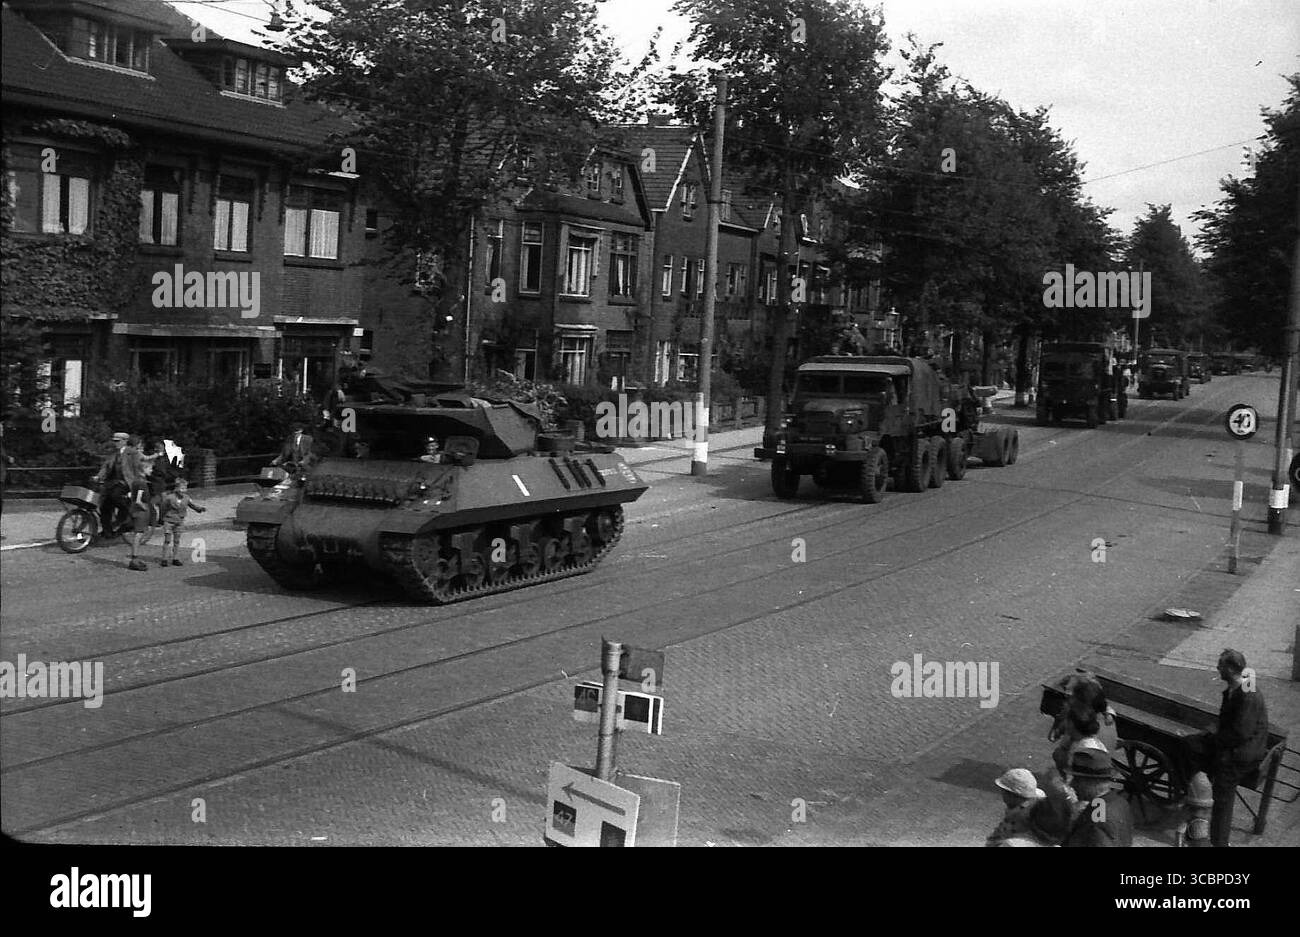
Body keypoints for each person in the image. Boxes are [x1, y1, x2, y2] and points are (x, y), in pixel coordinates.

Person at [1188, 649, 1270, 847]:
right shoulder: (1237, 688)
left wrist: (1215, 739)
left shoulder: (1247, 695)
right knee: (1192, 744)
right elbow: (1230, 722)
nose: (1217, 668)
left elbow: (1239, 733)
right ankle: (1195, 794)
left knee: (1223, 796)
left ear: (1232, 669)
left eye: (1221, 665)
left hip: (1241, 755)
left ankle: (1219, 842)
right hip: (1238, 746)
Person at [1062, 748, 1133, 846]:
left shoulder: (1097, 822)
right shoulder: (1119, 802)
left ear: (1090, 782)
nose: (1073, 784)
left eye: (1077, 779)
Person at [93, 431, 143, 532]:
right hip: (113, 482)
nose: (116, 443)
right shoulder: (113, 454)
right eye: (115, 441)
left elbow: (137, 470)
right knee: (104, 506)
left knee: (115, 496)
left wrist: (136, 486)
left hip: (127, 483)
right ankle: (107, 531)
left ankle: (127, 515)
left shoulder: (132, 453)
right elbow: (105, 467)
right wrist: (98, 477)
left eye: (118, 441)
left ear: (125, 441)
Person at [986, 768, 1046, 846]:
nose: (1002, 794)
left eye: (1004, 792)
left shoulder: (1026, 813)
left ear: (1013, 795)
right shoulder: (1023, 804)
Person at [158, 477, 206, 567]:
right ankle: (164, 558)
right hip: (169, 521)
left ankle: (175, 558)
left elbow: (192, 505)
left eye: (185, 488)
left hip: (179, 522)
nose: (183, 490)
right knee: (167, 540)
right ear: (176, 488)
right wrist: (161, 518)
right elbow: (163, 508)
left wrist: (199, 509)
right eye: (182, 488)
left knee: (177, 540)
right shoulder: (169, 498)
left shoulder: (186, 498)